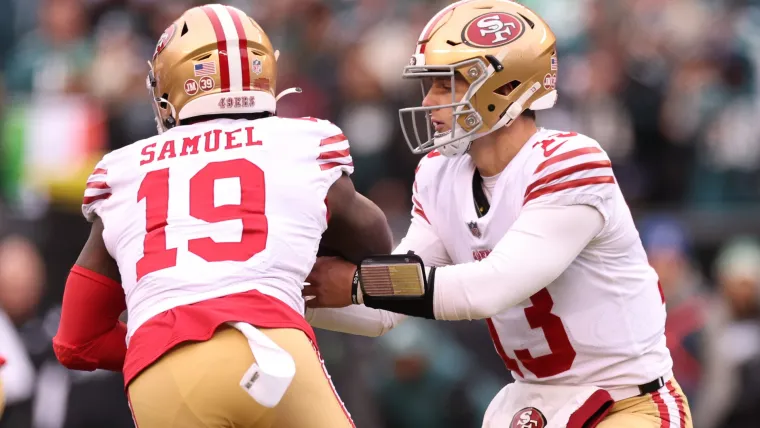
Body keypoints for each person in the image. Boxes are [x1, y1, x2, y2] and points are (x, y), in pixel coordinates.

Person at [303, 1, 693, 427]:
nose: (429, 101)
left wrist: (359, 283)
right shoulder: (440, 174)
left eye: (446, 83)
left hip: (625, 404)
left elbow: (490, 287)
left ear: (505, 86)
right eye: (428, 84)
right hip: (535, 406)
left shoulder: (568, 162)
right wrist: (279, 295)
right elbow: (388, 304)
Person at [51, 4, 392, 428]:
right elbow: (379, 248)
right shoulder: (303, 141)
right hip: (273, 348)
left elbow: (75, 340)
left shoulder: (124, 169)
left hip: (161, 371)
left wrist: (160, 347)